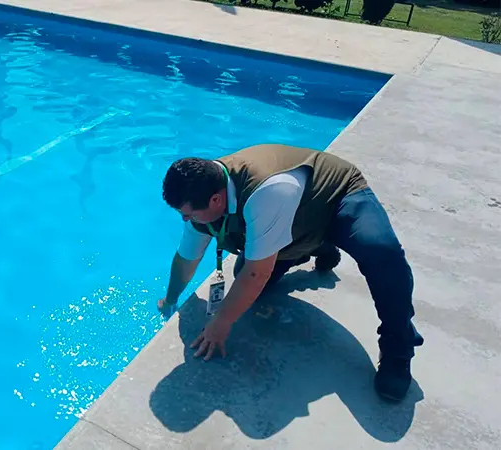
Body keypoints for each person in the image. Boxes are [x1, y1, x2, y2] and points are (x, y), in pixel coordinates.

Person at [157, 143, 424, 402]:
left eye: (188, 214)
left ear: (216, 200)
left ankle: (398, 349)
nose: (185, 219)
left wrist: (222, 321)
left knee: (381, 251)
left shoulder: (267, 189)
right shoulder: (203, 195)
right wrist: (170, 299)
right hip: (293, 221)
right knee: (248, 284)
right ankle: (316, 245)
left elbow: (256, 274)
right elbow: (186, 260)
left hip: (337, 197)